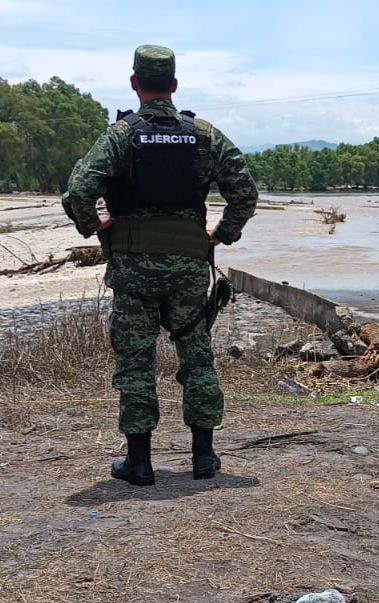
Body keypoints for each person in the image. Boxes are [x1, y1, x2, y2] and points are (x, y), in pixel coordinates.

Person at [62, 45, 258, 485]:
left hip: (132, 267)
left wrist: (97, 226)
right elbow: (245, 192)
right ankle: (204, 460)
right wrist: (220, 234)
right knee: (197, 356)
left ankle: (140, 463)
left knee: (135, 362)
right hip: (190, 266)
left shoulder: (121, 135)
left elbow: (78, 191)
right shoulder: (204, 135)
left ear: (134, 83)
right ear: (174, 84)